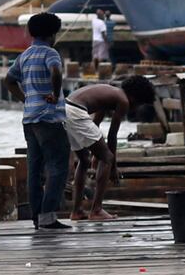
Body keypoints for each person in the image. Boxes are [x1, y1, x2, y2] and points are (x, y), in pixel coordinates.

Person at [6, 12, 71, 231]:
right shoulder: (50, 52)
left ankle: (37, 217)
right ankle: (48, 217)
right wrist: (54, 93)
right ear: (52, 34)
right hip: (49, 118)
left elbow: (9, 80)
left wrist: (25, 98)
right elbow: (56, 71)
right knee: (58, 166)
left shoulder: (24, 55)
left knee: (35, 169)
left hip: (30, 119)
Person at [64, 76, 156, 221]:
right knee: (107, 157)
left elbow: (96, 123)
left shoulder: (110, 92)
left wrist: (96, 153)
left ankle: (77, 211)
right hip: (76, 112)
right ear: (135, 97)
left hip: (65, 109)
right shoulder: (123, 101)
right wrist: (113, 166)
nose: (136, 108)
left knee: (84, 159)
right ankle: (96, 210)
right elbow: (112, 136)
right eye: (139, 104)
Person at [91, 9, 112, 76]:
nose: (104, 16)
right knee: (101, 57)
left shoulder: (94, 21)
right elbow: (103, 34)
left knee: (95, 56)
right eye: (103, 15)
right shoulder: (102, 23)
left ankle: (94, 70)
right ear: (101, 15)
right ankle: (100, 70)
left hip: (95, 40)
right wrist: (107, 42)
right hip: (101, 41)